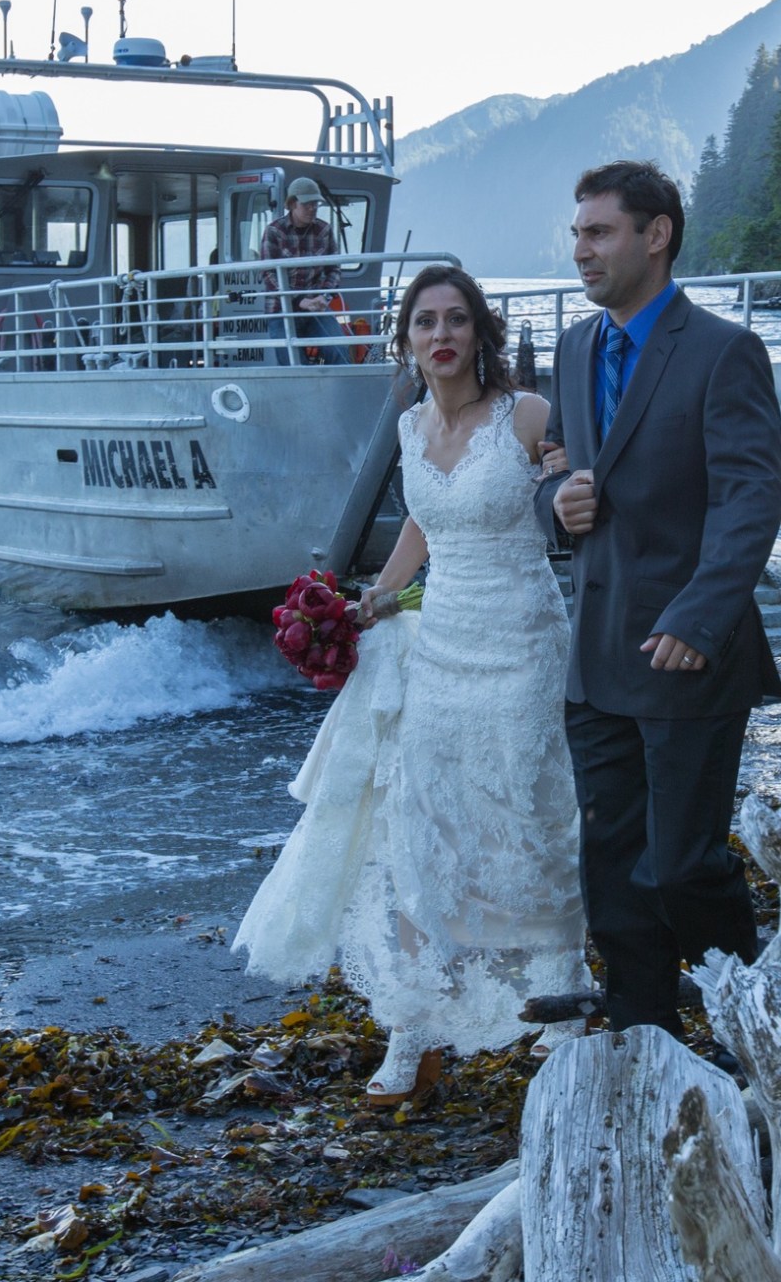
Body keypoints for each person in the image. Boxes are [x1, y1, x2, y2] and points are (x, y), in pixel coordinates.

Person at [235, 264, 590, 1103]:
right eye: (426, 321)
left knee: (530, 814)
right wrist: (377, 599)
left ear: (479, 333)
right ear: (408, 339)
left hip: (524, 644)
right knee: (423, 828)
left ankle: (564, 1001)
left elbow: (566, 500)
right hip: (440, 648)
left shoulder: (529, 414)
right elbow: (425, 524)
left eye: (457, 319)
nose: (441, 335)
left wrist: (569, 478)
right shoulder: (407, 427)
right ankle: (415, 1027)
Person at [533, 161, 781, 1038]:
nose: (581, 251)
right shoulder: (573, 348)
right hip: (596, 654)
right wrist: (555, 505)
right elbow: (558, 470)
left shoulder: (723, 351)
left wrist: (699, 614)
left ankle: (759, 1030)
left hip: (687, 654)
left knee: (684, 868)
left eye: (599, 232)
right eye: (577, 235)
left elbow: (750, 497)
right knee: (610, 865)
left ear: (657, 234)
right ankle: (641, 1029)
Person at [260, 178, 349, 366]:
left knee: (339, 349)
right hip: (281, 310)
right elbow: (269, 274)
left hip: (315, 307)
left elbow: (334, 268)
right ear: (292, 204)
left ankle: (337, 390)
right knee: (291, 361)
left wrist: (324, 297)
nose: (313, 208)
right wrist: (299, 300)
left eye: (315, 203)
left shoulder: (324, 230)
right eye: (307, 203)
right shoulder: (274, 231)